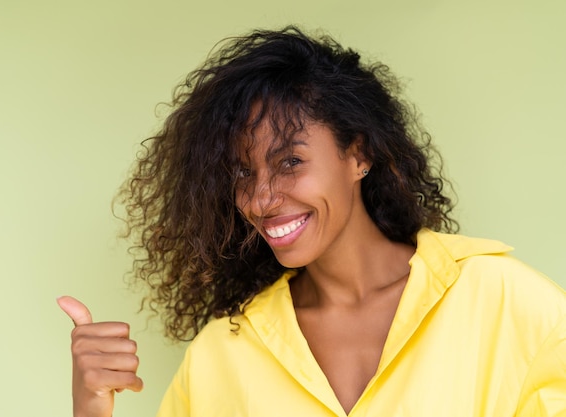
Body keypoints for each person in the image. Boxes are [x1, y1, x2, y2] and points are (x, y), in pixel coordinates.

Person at [57, 26, 566, 417]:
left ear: (358, 154)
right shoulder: (223, 354)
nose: (260, 198)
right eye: (242, 172)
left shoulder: (510, 306)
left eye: (289, 162)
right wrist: (90, 408)